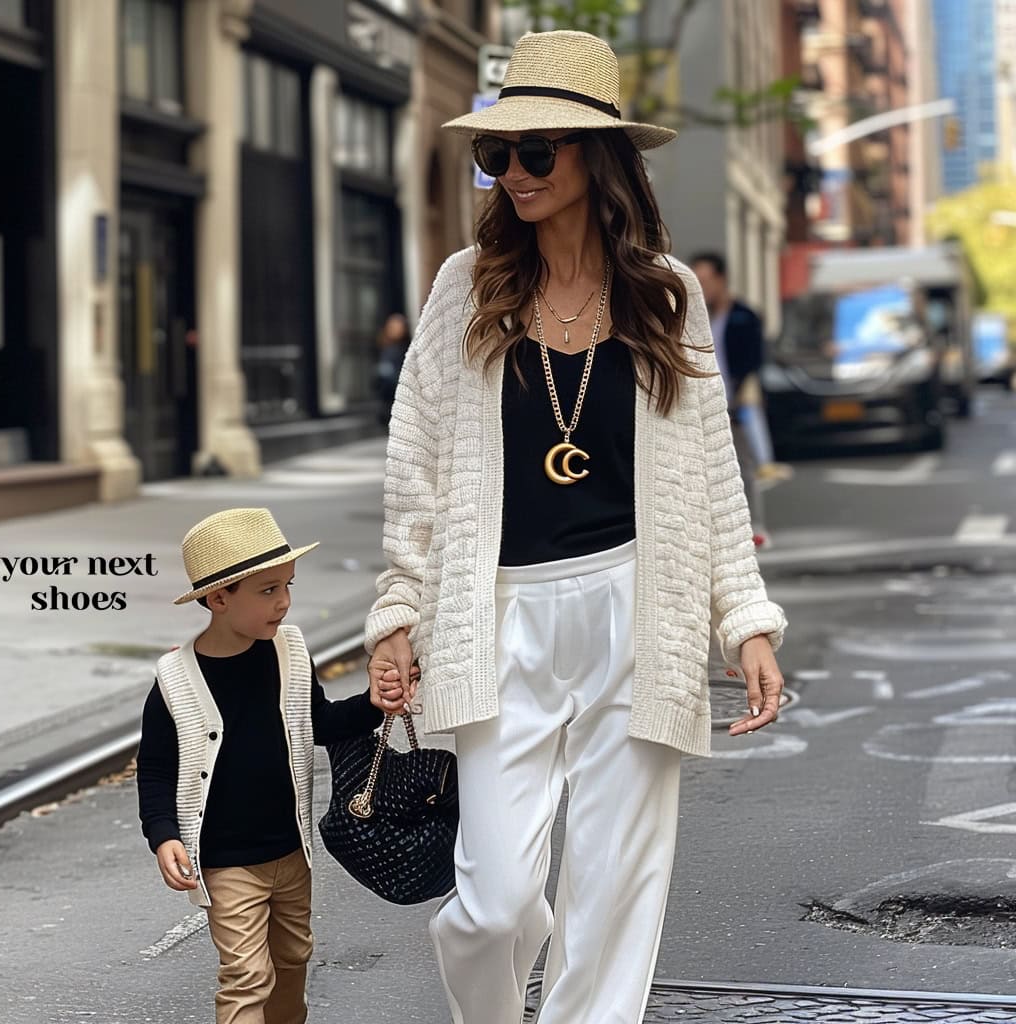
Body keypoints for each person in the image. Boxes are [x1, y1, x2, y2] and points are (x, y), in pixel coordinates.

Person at [364, 30, 787, 1024]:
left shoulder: (664, 295)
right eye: (495, 155)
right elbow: (415, 461)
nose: (511, 173)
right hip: (497, 613)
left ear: (597, 159)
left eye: (535, 152)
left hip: (638, 610)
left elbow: (710, 472)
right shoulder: (465, 289)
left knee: (611, 901)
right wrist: (396, 608)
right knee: (491, 904)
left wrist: (747, 622)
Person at [136, 507, 403, 1024]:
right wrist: (163, 833)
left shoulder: (290, 652)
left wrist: (373, 703)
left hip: (290, 851)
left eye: (288, 585)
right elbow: (154, 769)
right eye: (267, 590)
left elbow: (319, 722)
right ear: (219, 598)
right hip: (225, 860)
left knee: (292, 959)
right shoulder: (174, 680)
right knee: (246, 975)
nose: (284, 601)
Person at [690, 253, 790, 545]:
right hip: (702, 402)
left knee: (741, 465)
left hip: (736, 402)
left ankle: (752, 526)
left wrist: (737, 395)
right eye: (695, 280)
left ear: (721, 280)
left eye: (705, 280)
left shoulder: (743, 316)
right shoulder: (693, 318)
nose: (701, 287)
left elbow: (753, 362)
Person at [374, 313, 411, 428]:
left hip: (401, 395)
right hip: (387, 397)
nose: (395, 330)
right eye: (392, 327)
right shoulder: (383, 348)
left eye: (398, 326)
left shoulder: (407, 348)